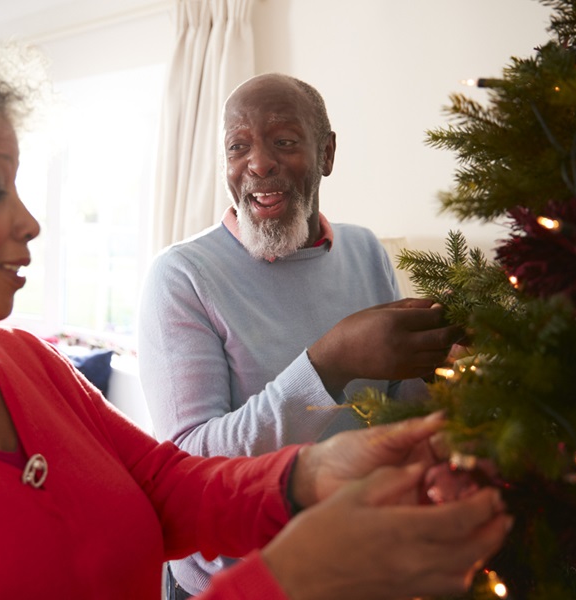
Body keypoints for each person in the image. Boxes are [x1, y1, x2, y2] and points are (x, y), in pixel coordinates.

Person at [0, 41, 510, 599]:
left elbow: (163, 483)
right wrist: (292, 577)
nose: (31, 221)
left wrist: (311, 475)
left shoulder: (19, 358)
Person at [138, 72, 465, 596]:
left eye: (284, 142)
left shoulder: (364, 250)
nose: (259, 163)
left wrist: (446, 370)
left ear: (327, 154)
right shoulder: (183, 276)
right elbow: (189, 465)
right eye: (238, 146)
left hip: (361, 564)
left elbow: (399, 403)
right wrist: (329, 363)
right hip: (240, 583)